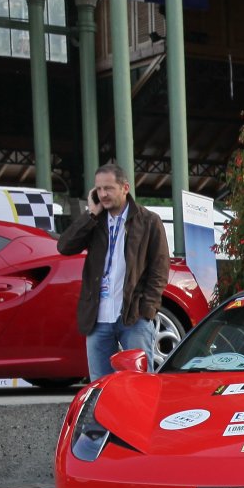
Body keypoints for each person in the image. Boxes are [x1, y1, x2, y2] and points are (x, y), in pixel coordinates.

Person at [58, 162, 170, 379]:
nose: (103, 194)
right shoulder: (95, 221)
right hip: (98, 318)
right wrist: (91, 214)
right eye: (99, 189)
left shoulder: (148, 221)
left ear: (125, 188)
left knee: (139, 384)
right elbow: (64, 246)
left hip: (133, 317)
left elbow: (160, 269)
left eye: (108, 188)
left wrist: (147, 309)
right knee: (100, 386)